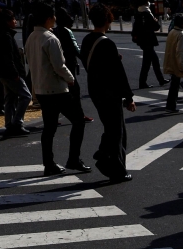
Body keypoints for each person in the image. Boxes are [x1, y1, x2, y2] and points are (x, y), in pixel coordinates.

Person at [24, 3, 89, 177]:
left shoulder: (31, 37)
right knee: (78, 121)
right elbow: (59, 66)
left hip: (41, 89)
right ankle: (73, 159)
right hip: (56, 89)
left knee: (49, 128)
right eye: (53, 16)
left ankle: (49, 163)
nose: (55, 19)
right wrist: (71, 78)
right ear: (47, 19)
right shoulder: (50, 38)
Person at [81, 3, 137, 182]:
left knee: (110, 126)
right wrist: (128, 97)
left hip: (95, 89)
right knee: (117, 130)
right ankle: (116, 169)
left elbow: (89, 63)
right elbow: (118, 73)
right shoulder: (107, 43)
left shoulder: (87, 40)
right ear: (108, 19)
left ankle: (104, 154)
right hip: (110, 92)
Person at [0, 9, 31, 136]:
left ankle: (9, 124)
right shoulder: (6, 36)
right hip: (11, 73)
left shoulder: (1, 34)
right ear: (7, 22)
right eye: (13, 19)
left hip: (3, 73)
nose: (15, 21)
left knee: (10, 98)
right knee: (26, 96)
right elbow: (9, 58)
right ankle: (17, 123)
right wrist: (15, 73)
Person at [132, 0, 167, 88]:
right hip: (148, 40)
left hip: (142, 41)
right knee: (150, 62)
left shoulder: (138, 13)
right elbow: (156, 27)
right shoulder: (147, 13)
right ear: (145, 3)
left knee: (150, 61)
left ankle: (158, 80)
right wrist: (155, 20)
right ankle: (146, 82)